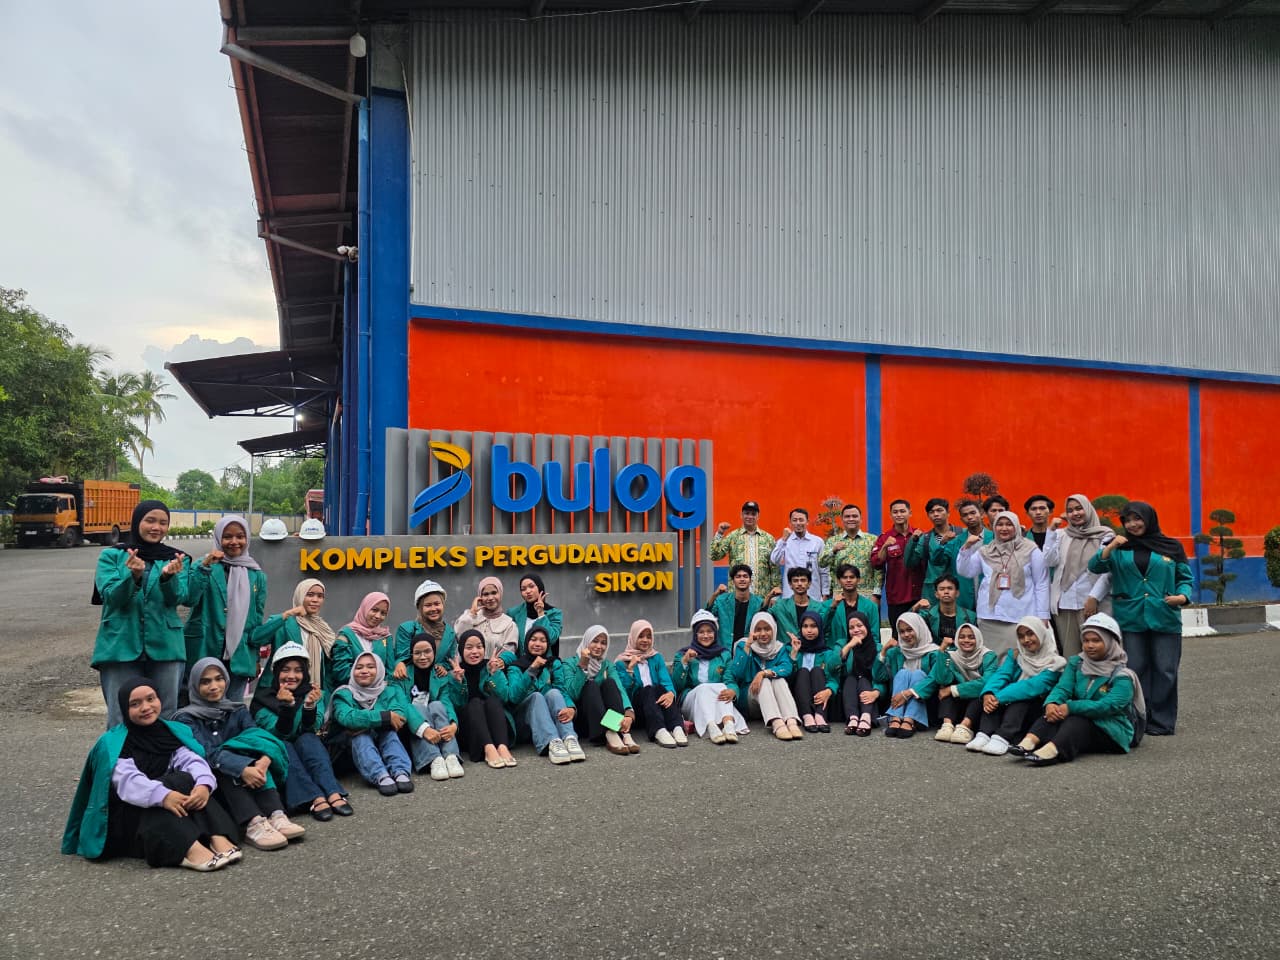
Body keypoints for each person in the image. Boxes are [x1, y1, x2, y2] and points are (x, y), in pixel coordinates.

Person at [63, 678, 241, 871]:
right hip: (128, 814)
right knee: (153, 802)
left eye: (151, 699)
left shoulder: (169, 731)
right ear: (124, 709)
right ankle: (189, 848)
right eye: (135, 704)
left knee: (186, 779)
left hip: (166, 800)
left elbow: (190, 760)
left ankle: (216, 835)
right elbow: (127, 781)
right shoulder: (113, 742)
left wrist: (203, 785)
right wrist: (163, 796)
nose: (146, 707)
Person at [1087, 502, 1192, 736]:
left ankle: (1162, 721)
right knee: (1135, 668)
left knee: (1166, 669)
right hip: (1130, 617)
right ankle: (1138, 718)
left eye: (1138, 519)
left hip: (1164, 615)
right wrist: (1111, 545)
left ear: (1149, 519)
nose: (1132, 524)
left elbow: (1184, 577)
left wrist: (1183, 596)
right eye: (1127, 520)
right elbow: (1095, 566)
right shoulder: (1120, 547)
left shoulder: (1171, 546)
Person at [174, 658, 302, 850]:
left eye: (219, 679)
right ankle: (253, 823)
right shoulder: (185, 718)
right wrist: (242, 768)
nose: (214, 686)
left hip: (249, 770)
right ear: (194, 685)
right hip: (214, 781)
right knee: (224, 768)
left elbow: (257, 737)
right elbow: (205, 752)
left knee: (257, 759)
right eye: (205, 681)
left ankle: (276, 814)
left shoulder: (237, 709)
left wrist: (264, 760)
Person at [92, 499, 190, 728]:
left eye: (163, 523)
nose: (156, 527)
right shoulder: (112, 556)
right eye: (150, 521)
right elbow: (111, 597)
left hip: (166, 647)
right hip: (120, 645)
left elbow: (180, 598)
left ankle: (161, 753)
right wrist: (133, 577)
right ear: (137, 522)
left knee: (166, 716)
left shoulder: (177, 558)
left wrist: (168, 578)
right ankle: (120, 753)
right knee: (120, 716)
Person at [1014, 613, 1143, 765]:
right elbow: (1063, 688)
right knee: (1054, 713)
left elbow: (1108, 706)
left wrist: (1071, 707)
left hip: (1113, 731)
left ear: (1110, 642)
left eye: (1096, 640)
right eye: (1086, 641)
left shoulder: (1123, 676)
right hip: (1083, 720)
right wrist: (1052, 703)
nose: (1090, 645)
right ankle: (1028, 742)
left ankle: (1054, 751)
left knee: (1076, 720)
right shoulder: (1077, 663)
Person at [250, 642, 353, 820]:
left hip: (307, 750)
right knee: (284, 745)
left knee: (308, 738)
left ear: (305, 673)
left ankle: (332, 791)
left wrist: (309, 706)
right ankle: (313, 797)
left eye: (298, 670)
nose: (291, 676)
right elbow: (278, 734)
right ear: (276, 672)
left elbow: (312, 728)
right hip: (277, 755)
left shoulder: (313, 693)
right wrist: (287, 706)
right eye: (285, 670)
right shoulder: (262, 699)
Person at [184, 515, 268, 703]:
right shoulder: (204, 565)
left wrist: (255, 658)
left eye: (240, 536)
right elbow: (189, 599)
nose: (234, 542)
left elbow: (256, 620)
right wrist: (205, 566)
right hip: (205, 647)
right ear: (218, 538)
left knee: (233, 708)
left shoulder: (257, 575)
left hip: (240, 653)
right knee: (201, 706)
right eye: (227, 536)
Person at [331, 651, 431, 794]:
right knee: (361, 736)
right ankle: (380, 775)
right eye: (359, 668)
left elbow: (399, 716)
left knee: (388, 733)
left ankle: (400, 771)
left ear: (379, 670)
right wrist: (384, 717)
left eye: (371, 667)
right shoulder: (343, 694)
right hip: (350, 752)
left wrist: (368, 722)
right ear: (353, 671)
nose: (364, 671)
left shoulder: (389, 690)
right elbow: (347, 718)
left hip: (382, 739)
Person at [964, 618, 1065, 756]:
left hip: (1035, 710)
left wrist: (998, 697)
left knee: (1020, 700)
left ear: (1041, 633)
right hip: (1009, 701)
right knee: (986, 696)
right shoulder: (1016, 654)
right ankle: (984, 734)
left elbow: (1031, 686)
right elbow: (1002, 674)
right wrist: (989, 693)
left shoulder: (1056, 663)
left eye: (1030, 634)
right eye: (1021, 636)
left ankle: (1002, 737)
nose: (1026, 640)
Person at [956, 510, 1049, 655]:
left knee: (1018, 658)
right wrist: (966, 548)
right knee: (992, 659)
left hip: (1021, 615)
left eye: (1009, 524)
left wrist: (1043, 616)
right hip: (989, 617)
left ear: (1016, 526)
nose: (1004, 528)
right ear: (994, 527)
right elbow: (965, 571)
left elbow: (1041, 583)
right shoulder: (985, 551)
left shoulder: (1031, 550)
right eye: (1000, 524)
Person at [498, 624, 584, 765]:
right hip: (524, 721)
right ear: (527, 642)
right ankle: (552, 742)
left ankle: (569, 738)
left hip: (548, 719)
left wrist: (571, 708)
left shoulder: (553, 663)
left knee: (554, 693)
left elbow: (561, 689)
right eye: (533, 640)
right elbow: (513, 697)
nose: (538, 644)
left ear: (548, 645)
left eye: (543, 641)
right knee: (536, 696)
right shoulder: (516, 666)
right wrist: (532, 669)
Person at [1043, 494, 1114, 658]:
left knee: (1097, 653)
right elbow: (1049, 561)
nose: (1075, 513)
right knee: (1071, 655)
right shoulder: (1061, 534)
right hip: (1064, 603)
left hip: (1092, 603)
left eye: (1079, 508)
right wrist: (1050, 532)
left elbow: (1107, 571)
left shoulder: (1105, 535)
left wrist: (1094, 597)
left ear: (1088, 509)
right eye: (1070, 510)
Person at [391, 635, 467, 780]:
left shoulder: (439, 674)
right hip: (412, 726)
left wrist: (453, 725)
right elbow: (403, 705)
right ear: (411, 654)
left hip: (436, 724)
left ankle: (450, 756)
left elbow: (446, 702)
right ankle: (434, 759)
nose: (423, 657)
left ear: (434, 652)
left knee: (437, 705)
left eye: (427, 651)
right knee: (417, 707)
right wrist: (424, 729)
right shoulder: (401, 674)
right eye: (417, 653)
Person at [557, 625, 638, 755]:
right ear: (587, 641)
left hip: (609, 719)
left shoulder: (607, 665)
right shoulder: (569, 664)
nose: (599, 646)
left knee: (610, 683)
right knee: (591, 685)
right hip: (586, 721)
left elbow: (619, 688)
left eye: (603, 643)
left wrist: (629, 713)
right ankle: (610, 732)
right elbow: (572, 694)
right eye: (595, 641)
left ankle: (619, 731)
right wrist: (583, 666)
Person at [672, 610, 746, 745]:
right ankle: (711, 726)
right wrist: (685, 662)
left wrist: (733, 691)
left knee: (723, 687)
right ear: (695, 634)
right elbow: (677, 685)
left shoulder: (724, 655)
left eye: (709, 631)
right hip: (692, 701)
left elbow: (729, 680)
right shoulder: (682, 654)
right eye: (701, 632)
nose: (706, 635)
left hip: (716, 699)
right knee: (704, 688)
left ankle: (728, 724)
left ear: (715, 633)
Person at [728, 611, 804, 741]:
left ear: (773, 630)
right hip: (749, 700)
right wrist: (748, 646)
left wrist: (763, 673)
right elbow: (737, 673)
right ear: (752, 630)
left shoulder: (778, 648)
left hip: (772, 703)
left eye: (767, 629)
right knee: (765, 681)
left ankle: (791, 721)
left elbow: (786, 668)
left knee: (778, 679)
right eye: (758, 629)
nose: (763, 633)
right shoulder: (743, 645)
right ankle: (777, 723)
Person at [257, 578, 339, 694]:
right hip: (279, 692)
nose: (315, 600)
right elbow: (257, 639)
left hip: (313, 694)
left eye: (320, 596)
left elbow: (327, 667)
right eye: (310, 595)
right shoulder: (283, 622)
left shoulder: (324, 629)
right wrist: (287, 614)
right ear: (300, 596)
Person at [615, 619, 687, 748]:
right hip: (637, 710)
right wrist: (630, 669)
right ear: (633, 637)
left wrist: (671, 693)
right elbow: (624, 693)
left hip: (656, 705)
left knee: (660, 688)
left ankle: (676, 727)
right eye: (641, 636)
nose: (645, 640)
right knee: (648, 689)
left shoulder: (656, 657)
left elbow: (666, 680)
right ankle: (659, 730)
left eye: (648, 636)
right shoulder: (622, 662)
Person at [455, 629, 517, 768]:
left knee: (492, 701)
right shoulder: (457, 671)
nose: (474, 651)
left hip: (496, 728)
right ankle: (489, 749)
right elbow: (456, 705)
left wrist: (495, 674)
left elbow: (504, 698)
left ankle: (502, 747)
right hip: (470, 731)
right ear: (461, 650)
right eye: (469, 647)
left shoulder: (490, 666)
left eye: (479, 647)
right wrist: (458, 683)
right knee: (475, 703)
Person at [875, 612, 942, 738]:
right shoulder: (896, 652)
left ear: (919, 628)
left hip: (926, 704)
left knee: (918, 674)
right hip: (898, 702)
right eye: (902, 632)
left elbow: (934, 679)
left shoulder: (934, 653)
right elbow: (879, 677)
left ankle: (910, 719)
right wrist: (883, 651)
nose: (906, 635)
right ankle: (896, 718)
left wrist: (907, 693)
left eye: (910, 630)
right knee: (902, 673)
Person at [931, 622, 999, 744]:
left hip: (977, 707)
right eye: (962, 637)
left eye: (971, 637)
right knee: (945, 687)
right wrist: (941, 651)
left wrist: (953, 689)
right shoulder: (953, 655)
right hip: (960, 704)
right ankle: (947, 725)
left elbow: (986, 682)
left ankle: (965, 727)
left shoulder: (989, 655)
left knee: (980, 693)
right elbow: (943, 679)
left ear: (978, 639)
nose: (966, 640)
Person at [871, 499, 925, 632]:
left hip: (919, 595)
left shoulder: (920, 535)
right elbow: (876, 563)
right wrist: (885, 546)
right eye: (895, 512)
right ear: (890, 515)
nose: (899, 515)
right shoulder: (885, 538)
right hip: (897, 597)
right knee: (898, 634)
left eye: (902, 511)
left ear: (910, 513)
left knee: (921, 633)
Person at [392, 579, 456, 681]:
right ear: (420, 608)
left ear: (443, 605)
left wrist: (443, 666)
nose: (433, 609)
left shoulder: (450, 633)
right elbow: (401, 657)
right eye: (428, 605)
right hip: (411, 683)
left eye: (437, 604)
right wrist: (400, 664)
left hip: (438, 685)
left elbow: (449, 660)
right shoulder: (407, 629)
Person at [904, 498, 966, 605]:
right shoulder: (925, 539)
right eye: (931, 512)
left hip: (959, 588)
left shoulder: (962, 534)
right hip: (933, 590)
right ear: (928, 516)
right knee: (931, 615)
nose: (936, 514)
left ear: (948, 513)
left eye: (939, 510)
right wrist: (913, 541)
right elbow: (910, 563)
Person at [711, 500, 777, 596]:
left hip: (762, 595)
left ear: (758, 516)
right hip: (737, 596)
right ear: (741, 515)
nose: (750, 517)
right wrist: (719, 534)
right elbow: (714, 556)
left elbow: (774, 568)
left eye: (753, 514)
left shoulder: (768, 539)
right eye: (747, 513)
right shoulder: (733, 536)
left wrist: (774, 596)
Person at [786, 609, 838, 733]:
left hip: (822, 698)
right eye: (805, 626)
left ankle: (820, 715)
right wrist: (794, 653)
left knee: (817, 671)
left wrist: (829, 690)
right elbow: (788, 677)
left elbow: (834, 678)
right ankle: (807, 715)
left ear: (820, 628)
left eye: (813, 626)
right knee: (803, 672)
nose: (809, 630)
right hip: (798, 698)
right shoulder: (791, 648)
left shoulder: (827, 653)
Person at [817, 503, 881, 602]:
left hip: (866, 594)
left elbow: (879, 568)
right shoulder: (833, 541)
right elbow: (822, 563)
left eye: (854, 516)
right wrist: (833, 551)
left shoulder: (872, 540)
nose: (851, 519)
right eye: (847, 516)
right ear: (842, 519)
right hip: (840, 595)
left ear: (861, 519)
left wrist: (876, 594)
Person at [331, 592, 393, 688]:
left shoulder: (385, 637)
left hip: (380, 692)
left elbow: (390, 671)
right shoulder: (346, 635)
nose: (378, 616)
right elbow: (340, 672)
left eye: (383, 613)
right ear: (365, 608)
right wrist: (367, 683)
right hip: (351, 692)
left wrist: (379, 688)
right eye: (374, 610)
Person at [769, 506, 828, 599]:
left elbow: (824, 569)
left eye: (801, 520)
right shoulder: (785, 541)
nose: (798, 523)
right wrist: (783, 540)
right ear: (790, 522)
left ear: (807, 521)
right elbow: (774, 560)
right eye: (795, 520)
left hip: (813, 593)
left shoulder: (817, 542)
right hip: (790, 594)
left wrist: (825, 592)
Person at [838, 611, 880, 736]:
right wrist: (849, 646)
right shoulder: (842, 644)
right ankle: (853, 718)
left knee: (863, 679)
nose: (856, 630)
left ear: (867, 626)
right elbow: (831, 666)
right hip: (849, 691)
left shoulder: (877, 648)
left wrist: (877, 692)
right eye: (851, 628)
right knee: (851, 678)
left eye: (860, 625)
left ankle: (866, 717)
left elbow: (883, 678)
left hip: (871, 689)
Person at [453, 576, 519, 657]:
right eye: (485, 594)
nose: (490, 598)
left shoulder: (509, 625)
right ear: (480, 597)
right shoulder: (469, 617)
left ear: (500, 594)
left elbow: (508, 654)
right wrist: (472, 612)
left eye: (494, 593)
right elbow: (459, 637)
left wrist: (495, 663)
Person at [705, 564, 765, 651]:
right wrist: (715, 595)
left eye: (745, 576)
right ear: (733, 581)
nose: (742, 579)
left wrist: (769, 598)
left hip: (748, 651)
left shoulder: (759, 603)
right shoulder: (722, 600)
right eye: (738, 576)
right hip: (725, 651)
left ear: (750, 581)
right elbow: (707, 614)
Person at [825, 563, 881, 652]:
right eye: (844, 577)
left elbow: (875, 637)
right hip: (837, 652)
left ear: (858, 580)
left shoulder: (871, 606)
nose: (848, 580)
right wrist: (832, 608)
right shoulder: (829, 605)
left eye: (852, 577)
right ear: (839, 581)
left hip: (864, 651)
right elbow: (823, 630)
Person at [766, 567, 831, 644]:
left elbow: (825, 630)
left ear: (809, 583)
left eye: (803, 580)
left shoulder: (819, 607)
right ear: (790, 584)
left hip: (811, 649)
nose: (799, 583)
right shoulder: (780, 605)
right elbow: (762, 617)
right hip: (786, 649)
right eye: (795, 581)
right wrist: (768, 597)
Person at [912, 575, 976, 650]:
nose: (946, 592)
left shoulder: (970, 616)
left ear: (957, 593)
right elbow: (907, 623)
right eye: (942, 589)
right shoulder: (927, 615)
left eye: (950, 588)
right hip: (933, 653)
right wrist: (914, 608)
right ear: (936, 594)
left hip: (961, 653)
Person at [508, 573, 563, 657]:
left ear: (540, 588)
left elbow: (551, 638)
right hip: (521, 663)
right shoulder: (513, 613)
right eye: (523, 589)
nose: (528, 591)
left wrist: (541, 614)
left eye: (531, 586)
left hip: (545, 663)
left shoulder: (554, 613)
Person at [953, 499, 992, 611]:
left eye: (973, 513)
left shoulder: (995, 538)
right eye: (965, 515)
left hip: (990, 596)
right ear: (961, 519)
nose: (970, 517)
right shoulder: (955, 542)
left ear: (981, 514)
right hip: (964, 597)